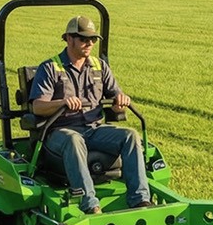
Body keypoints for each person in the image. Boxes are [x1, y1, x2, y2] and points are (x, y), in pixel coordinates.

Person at [28, 16, 154, 214]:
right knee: (74, 140)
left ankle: (140, 200)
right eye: (84, 39)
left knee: (130, 135)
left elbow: (116, 103)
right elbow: (37, 107)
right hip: (59, 132)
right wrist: (62, 103)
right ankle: (90, 205)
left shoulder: (99, 67)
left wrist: (121, 102)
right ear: (69, 39)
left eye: (93, 40)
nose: (90, 44)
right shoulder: (50, 68)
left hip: (94, 129)